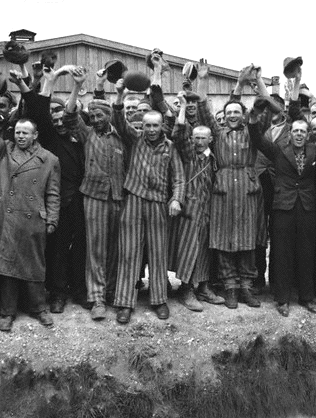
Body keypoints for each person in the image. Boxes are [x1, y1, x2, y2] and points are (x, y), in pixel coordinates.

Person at [249, 99, 316, 317]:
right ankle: (282, 299)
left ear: (307, 133)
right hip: (283, 207)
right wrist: (253, 118)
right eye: (296, 131)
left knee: (306, 253)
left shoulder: (315, 150)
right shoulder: (278, 150)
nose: (300, 134)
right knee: (282, 252)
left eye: (303, 131)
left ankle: (307, 297)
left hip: (306, 207)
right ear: (290, 133)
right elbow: (257, 139)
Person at [8, 68, 88, 313]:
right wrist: (42, 83)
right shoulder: (50, 139)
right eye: (54, 118)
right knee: (57, 251)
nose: (59, 121)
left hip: (83, 200)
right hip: (58, 200)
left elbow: (71, 113)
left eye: (61, 117)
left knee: (83, 248)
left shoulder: (81, 136)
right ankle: (57, 293)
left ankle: (81, 290)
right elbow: (39, 110)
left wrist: (76, 86)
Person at [0, 92, 60, 332]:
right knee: (7, 265)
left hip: (34, 217)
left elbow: (53, 193)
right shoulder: (4, 150)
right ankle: (7, 312)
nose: (21, 136)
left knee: (35, 263)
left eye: (25, 132)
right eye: (17, 132)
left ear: (35, 135)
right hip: (7, 215)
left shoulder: (49, 159)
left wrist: (53, 219)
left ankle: (39, 308)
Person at [112, 75, 185, 323]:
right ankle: (124, 302)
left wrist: (176, 199)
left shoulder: (170, 147)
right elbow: (119, 122)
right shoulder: (134, 139)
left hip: (157, 204)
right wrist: (120, 95)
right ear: (141, 126)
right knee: (129, 251)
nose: (151, 130)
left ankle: (159, 300)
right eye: (147, 126)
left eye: (155, 126)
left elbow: (179, 179)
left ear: (161, 125)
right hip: (133, 200)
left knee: (157, 252)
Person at [194, 63, 264, 309]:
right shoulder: (218, 133)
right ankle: (230, 287)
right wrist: (203, 79)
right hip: (223, 188)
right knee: (224, 239)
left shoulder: (251, 133)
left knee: (247, 239)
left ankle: (246, 287)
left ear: (243, 115)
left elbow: (260, 110)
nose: (233, 115)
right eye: (229, 112)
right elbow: (203, 110)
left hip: (247, 188)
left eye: (237, 112)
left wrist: (244, 84)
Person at [63, 67, 126, 320]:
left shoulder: (122, 137)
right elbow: (69, 118)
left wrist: (120, 94)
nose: (96, 118)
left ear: (109, 115)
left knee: (115, 248)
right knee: (96, 249)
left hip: (119, 198)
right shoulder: (87, 134)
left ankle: (111, 291)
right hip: (94, 198)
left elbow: (122, 117)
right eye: (92, 114)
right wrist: (77, 87)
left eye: (100, 114)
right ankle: (97, 298)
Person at [169, 92, 225, 311]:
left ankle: (203, 286)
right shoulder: (189, 153)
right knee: (188, 248)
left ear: (210, 139)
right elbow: (178, 135)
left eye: (203, 138)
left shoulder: (213, 158)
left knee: (204, 250)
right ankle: (186, 289)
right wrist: (182, 108)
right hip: (189, 210)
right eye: (196, 138)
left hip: (207, 211)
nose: (199, 141)